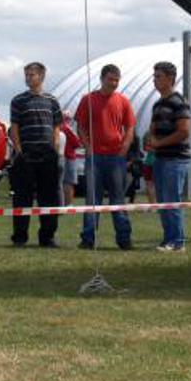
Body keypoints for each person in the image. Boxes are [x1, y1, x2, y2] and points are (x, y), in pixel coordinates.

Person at [75, 63, 136, 250]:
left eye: (117, 80)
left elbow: (130, 127)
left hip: (116, 158)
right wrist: (88, 148)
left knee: (118, 199)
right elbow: (81, 126)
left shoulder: (123, 101)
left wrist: (124, 148)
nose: (114, 83)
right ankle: (88, 238)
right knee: (92, 200)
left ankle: (124, 239)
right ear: (102, 79)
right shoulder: (88, 99)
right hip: (95, 158)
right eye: (111, 79)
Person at [8, 62, 64, 248]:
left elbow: (57, 127)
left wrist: (55, 149)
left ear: (41, 76)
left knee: (49, 198)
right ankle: (20, 237)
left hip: (48, 156)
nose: (28, 78)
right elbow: (14, 127)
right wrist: (18, 150)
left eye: (32, 74)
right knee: (22, 198)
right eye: (26, 75)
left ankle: (47, 237)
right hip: (26, 156)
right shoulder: (18, 101)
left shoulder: (52, 101)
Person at [146, 61, 191, 252]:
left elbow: (184, 131)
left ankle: (177, 241)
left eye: (159, 76)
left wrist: (159, 143)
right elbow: (153, 129)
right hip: (160, 158)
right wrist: (151, 139)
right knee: (163, 201)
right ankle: (168, 239)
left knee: (172, 200)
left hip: (176, 159)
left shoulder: (179, 101)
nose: (155, 80)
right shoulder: (158, 104)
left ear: (170, 78)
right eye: (154, 76)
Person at [59, 112, 81, 205]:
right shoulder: (67, 128)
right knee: (69, 182)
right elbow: (77, 143)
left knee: (62, 182)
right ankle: (68, 203)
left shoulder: (59, 128)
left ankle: (62, 203)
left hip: (61, 156)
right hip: (69, 157)